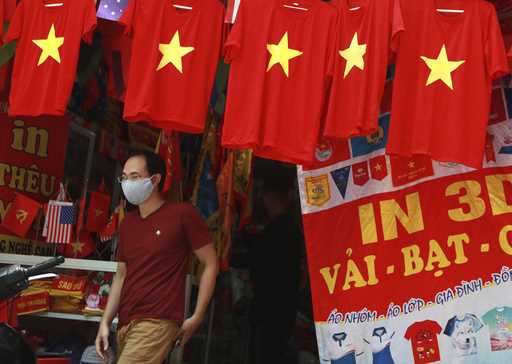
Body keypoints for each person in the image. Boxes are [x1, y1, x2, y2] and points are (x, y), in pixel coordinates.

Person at [95, 151, 219, 364]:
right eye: (123, 178)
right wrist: (105, 322)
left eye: (134, 177)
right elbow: (121, 275)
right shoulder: (128, 224)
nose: (127, 183)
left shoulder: (182, 214)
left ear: (155, 180)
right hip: (126, 323)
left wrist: (197, 316)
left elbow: (211, 262)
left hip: (158, 321)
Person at [250, 178, 303, 364]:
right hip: (285, 304)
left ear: (267, 197)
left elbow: (260, 268)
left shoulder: (275, 231)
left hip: (270, 306)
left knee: (268, 353)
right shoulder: (292, 228)